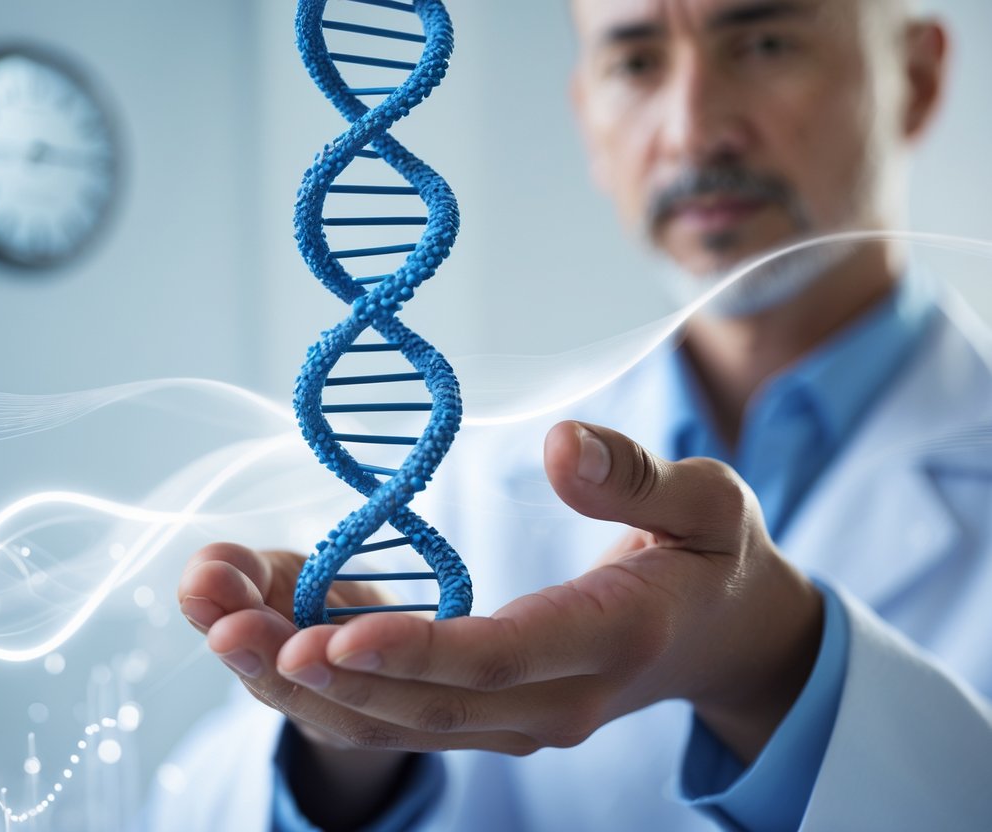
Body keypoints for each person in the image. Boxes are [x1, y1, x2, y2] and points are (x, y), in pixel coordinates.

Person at [149, 0, 992, 829]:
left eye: (764, 43)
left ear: (913, 77)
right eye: (634, 61)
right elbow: (185, 811)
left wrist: (778, 673)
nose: (693, 129)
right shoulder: (476, 473)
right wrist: (349, 751)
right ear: (586, 113)